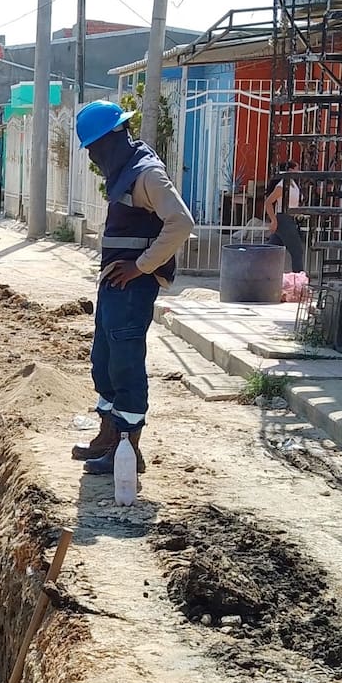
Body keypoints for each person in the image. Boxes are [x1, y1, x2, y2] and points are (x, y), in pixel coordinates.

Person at [69, 101, 195, 476]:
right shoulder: (127, 170)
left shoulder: (147, 175)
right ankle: (107, 438)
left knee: (125, 365)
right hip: (114, 283)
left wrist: (141, 267)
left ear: (111, 139)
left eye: (94, 147)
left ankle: (127, 449)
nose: (92, 156)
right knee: (104, 362)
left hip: (132, 287)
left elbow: (181, 223)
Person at [263, 161, 305, 273]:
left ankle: (259, 271)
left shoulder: (293, 183)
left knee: (271, 251)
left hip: (290, 219)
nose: (299, 171)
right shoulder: (282, 185)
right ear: (290, 170)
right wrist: (273, 220)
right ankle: (298, 279)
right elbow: (268, 202)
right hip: (283, 219)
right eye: (297, 168)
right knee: (297, 251)